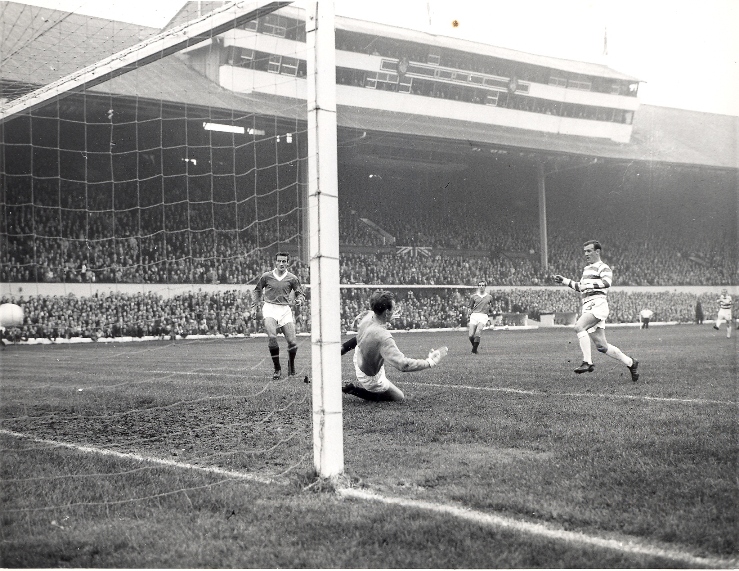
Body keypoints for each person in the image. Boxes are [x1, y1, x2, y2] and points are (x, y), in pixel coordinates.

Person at [553, 240, 639, 382]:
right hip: (588, 305)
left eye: (589, 251)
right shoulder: (587, 269)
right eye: (585, 251)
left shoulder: (603, 267)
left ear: (597, 251)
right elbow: (581, 287)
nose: (586, 254)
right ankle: (631, 362)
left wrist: (589, 284)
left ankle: (587, 362)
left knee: (579, 327)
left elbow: (607, 283)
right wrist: (564, 281)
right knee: (601, 346)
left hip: (598, 303)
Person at [342, 290, 448, 402]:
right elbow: (403, 365)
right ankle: (353, 390)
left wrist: (343, 349)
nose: (395, 310)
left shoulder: (368, 316)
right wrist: (430, 362)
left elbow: (359, 338)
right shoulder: (383, 337)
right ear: (386, 312)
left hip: (359, 356)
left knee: (368, 340)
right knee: (398, 397)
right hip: (369, 377)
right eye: (393, 308)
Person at [252, 252, 306, 380]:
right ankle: (277, 369)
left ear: (288, 263)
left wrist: (300, 300)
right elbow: (257, 290)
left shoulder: (292, 278)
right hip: (270, 308)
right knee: (272, 337)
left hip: (285, 310)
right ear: (275, 262)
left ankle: (291, 366)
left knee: (292, 342)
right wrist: (255, 306)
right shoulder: (267, 276)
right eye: (279, 261)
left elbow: (300, 293)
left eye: (284, 261)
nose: (281, 263)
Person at [467, 280, 494, 353]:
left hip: (483, 316)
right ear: (478, 287)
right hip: (474, 315)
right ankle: (475, 348)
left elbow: (491, 306)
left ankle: (474, 350)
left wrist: (490, 310)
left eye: (483, 285)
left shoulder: (489, 297)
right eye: (480, 285)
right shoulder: (473, 296)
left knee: (478, 332)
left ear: (485, 287)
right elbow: (470, 306)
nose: (481, 287)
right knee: (471, 336)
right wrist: (469, 310)